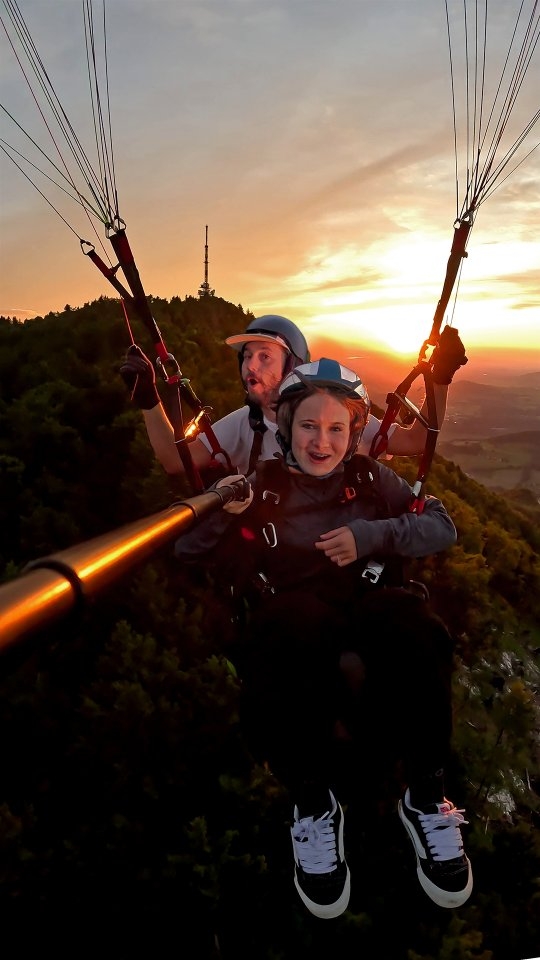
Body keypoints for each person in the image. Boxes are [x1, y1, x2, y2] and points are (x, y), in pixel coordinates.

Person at [175, 358, 473, 920]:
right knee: (289, 627)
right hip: (297, 617)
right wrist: (221, 510)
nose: (322, 441)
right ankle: (313, 803)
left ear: (354, 433)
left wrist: (369, 535)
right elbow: (188, 550)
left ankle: (426, 795)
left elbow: (441, 526)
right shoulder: (261, 486)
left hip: (368, 605)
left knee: (420, 629)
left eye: (337, 428)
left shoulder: (370, 479)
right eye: (309, 425)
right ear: (287, 427)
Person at [119, 315, 467, 479]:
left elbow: (416, 440)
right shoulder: (245, 425)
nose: (250, 366)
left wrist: (440, 379)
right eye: (247, 357)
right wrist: (150, 400)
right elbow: (175, 460)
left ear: (293, 366)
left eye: (264, 357)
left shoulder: (338, 417)